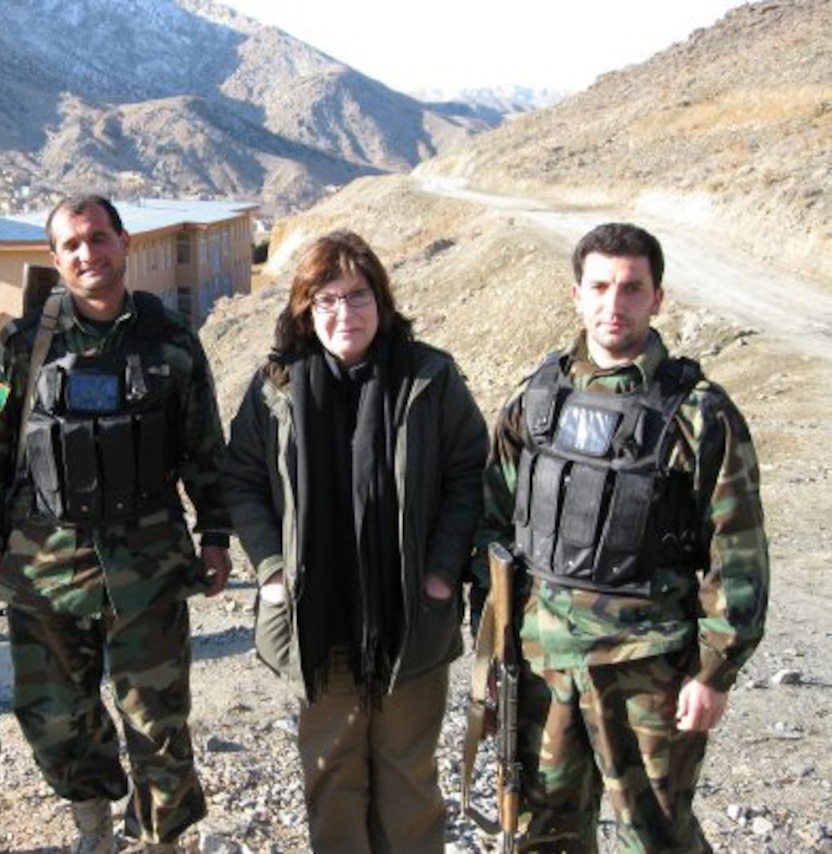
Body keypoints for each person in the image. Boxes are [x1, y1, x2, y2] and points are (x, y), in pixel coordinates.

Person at [471, 222, 769, 851]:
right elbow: (495, 527)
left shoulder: (698, 413)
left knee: (656, 836)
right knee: (542, 834)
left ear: (657, 297)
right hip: (543, 664)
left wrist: (715, 673)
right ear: (577, 294)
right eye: (600, 286)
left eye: (632, 287)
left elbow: (736, 551)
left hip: (646, 667)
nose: (614, 303)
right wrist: (495, 644)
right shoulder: (536, 399)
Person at [0, 194, 232, 853]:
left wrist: (215, 535)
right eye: (73, 245)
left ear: (123, 242)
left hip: (150, 562)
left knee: (158, 717)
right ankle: (92, 824)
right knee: (55, 713)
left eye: (98, 238)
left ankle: (164, 838)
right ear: (55, 259)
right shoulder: (23, 345)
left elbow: (204, 447)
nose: (89, 254)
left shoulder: (170, 340)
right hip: (46, 562)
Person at [221, 230, 488, 852]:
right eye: (327, 300)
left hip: (410, 612)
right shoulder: (275, 387)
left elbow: (469, 471)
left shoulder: (428, 377)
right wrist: (268, 570)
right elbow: (241, 477)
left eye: (359, 296)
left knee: (408, 778)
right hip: (317, 614)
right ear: (305, 311)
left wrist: (442, 571)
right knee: (332, 773)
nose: (346, 313)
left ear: (382, 299)